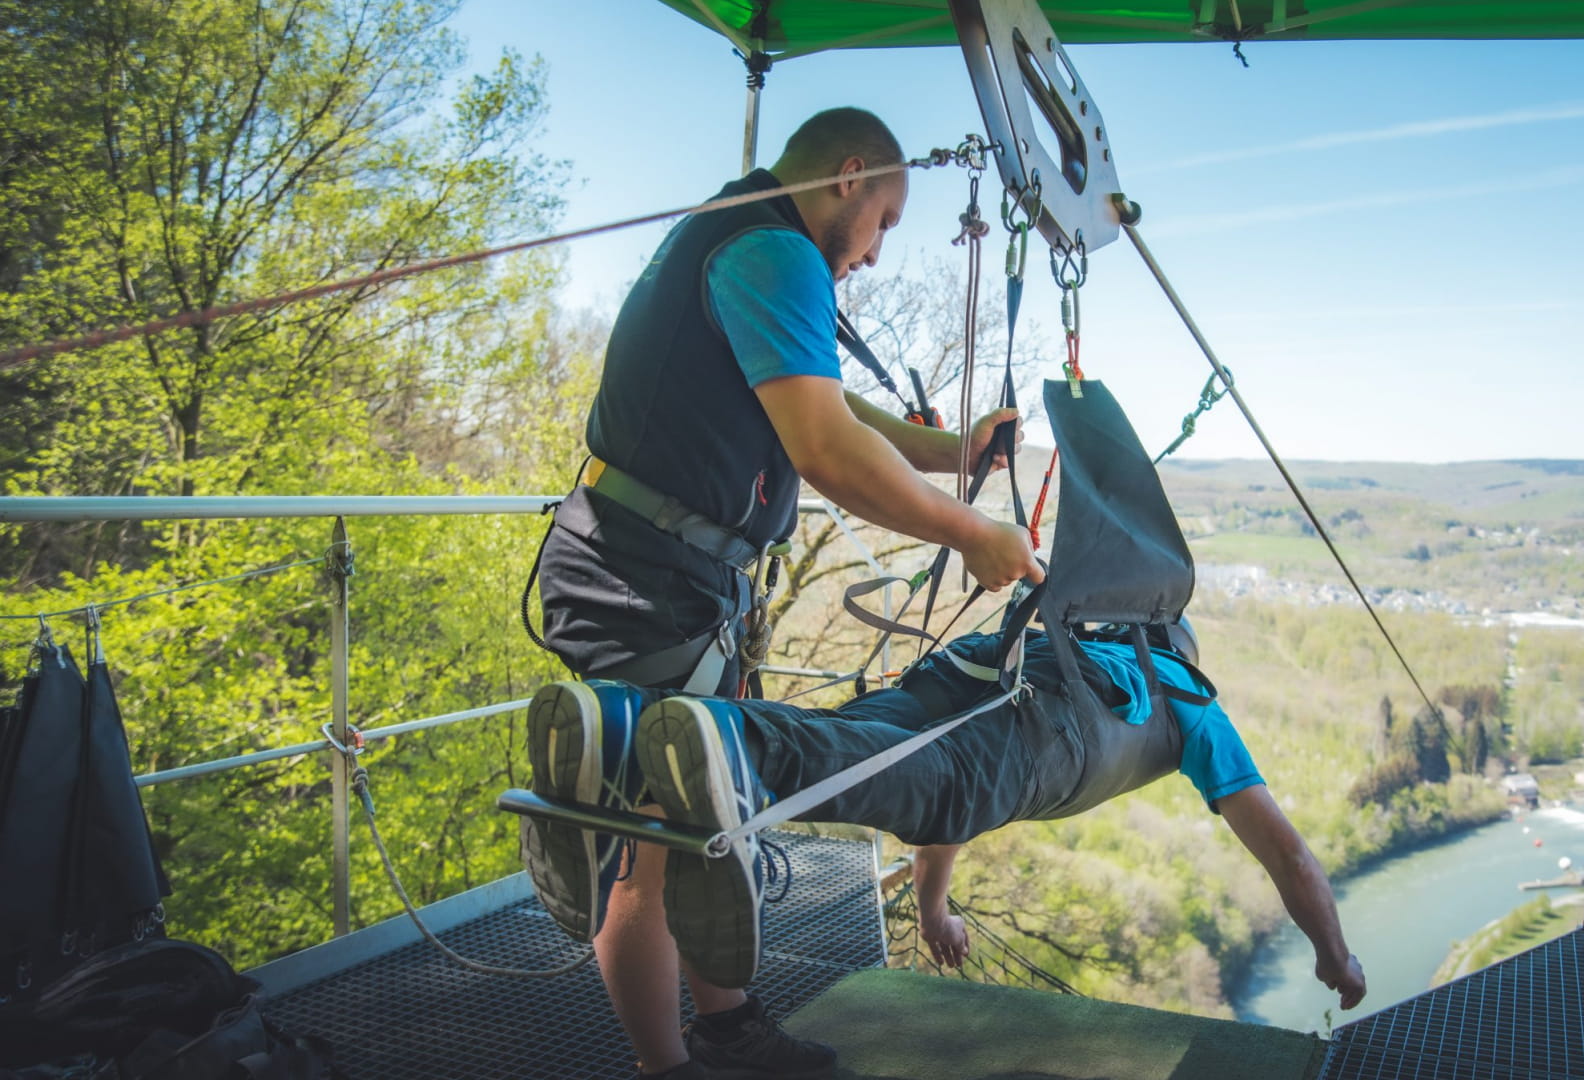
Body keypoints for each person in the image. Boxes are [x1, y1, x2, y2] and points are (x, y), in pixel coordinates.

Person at [523, 106, 1044, 1079]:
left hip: (657, 571)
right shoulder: (775, 250)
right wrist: (974, 533)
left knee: (696, 814)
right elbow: (827, 447)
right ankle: (666, 1065)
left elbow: (824, 399)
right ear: (848, 177)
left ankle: (724, 1029)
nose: (878, 253)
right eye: (885, 220)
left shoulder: (740, 235)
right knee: (653, 841)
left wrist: (951, 451)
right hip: (645, 579)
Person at [520, 622, 1368, 1078]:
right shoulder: (1188, 701)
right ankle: (720, 739)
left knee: (850, 742)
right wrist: (1334, 954)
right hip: (1023, 746)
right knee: (889, 775)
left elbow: (946, 802)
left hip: (959, 674)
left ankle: (623, 723)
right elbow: (1288, 856)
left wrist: (932, 908)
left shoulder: (1066, 636)